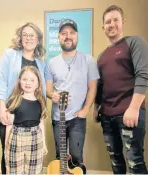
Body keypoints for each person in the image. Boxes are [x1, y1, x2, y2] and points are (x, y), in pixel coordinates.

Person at [93, 5, 148, 174]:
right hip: (107, 116)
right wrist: (96, 107)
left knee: (135, 162)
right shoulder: (102, 56)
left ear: (123, 22)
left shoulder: (135, 42)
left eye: (115, 20)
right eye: (108, 22)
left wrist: (133, 108)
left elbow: (144, 75)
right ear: (103, 27)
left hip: (129, 113)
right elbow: (101, 85)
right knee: (116, 162)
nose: (111, 24)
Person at [0, 22, 46, 174]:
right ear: (20, 38)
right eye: (25, 34)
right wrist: (2, 109)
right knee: (8, 154)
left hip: (32, 117)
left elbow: (42, 91)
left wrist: (42, 115)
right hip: (8, 113)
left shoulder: (41, 63)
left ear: (37, 39)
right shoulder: (9, 54)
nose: (28, 38)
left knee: (30, 159)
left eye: (32, 35)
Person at [45, 19, 100, 166]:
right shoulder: (51, 63)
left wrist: (85, 109)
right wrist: (52, 95)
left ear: (77, 36)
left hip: (77, 118)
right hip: (58, 118)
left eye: (71, 33)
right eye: (64, 33)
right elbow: (48, 89)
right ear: (58, 37)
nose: (68, 36)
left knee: (76, 159)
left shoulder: (88, 60)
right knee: (60, 159)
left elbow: (93, 87)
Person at [4, 66, 48, 174]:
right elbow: (9, 125)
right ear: (19, 81)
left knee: (34, 171)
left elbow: (41, 124)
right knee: (14, 171)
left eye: (32, 80)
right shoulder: (14, 100)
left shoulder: (41, 101)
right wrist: (6, 146)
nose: (28, 83)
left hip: (35, 138)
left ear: (38, 83)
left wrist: (44, 143)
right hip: (16, 137)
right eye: (24, 79)